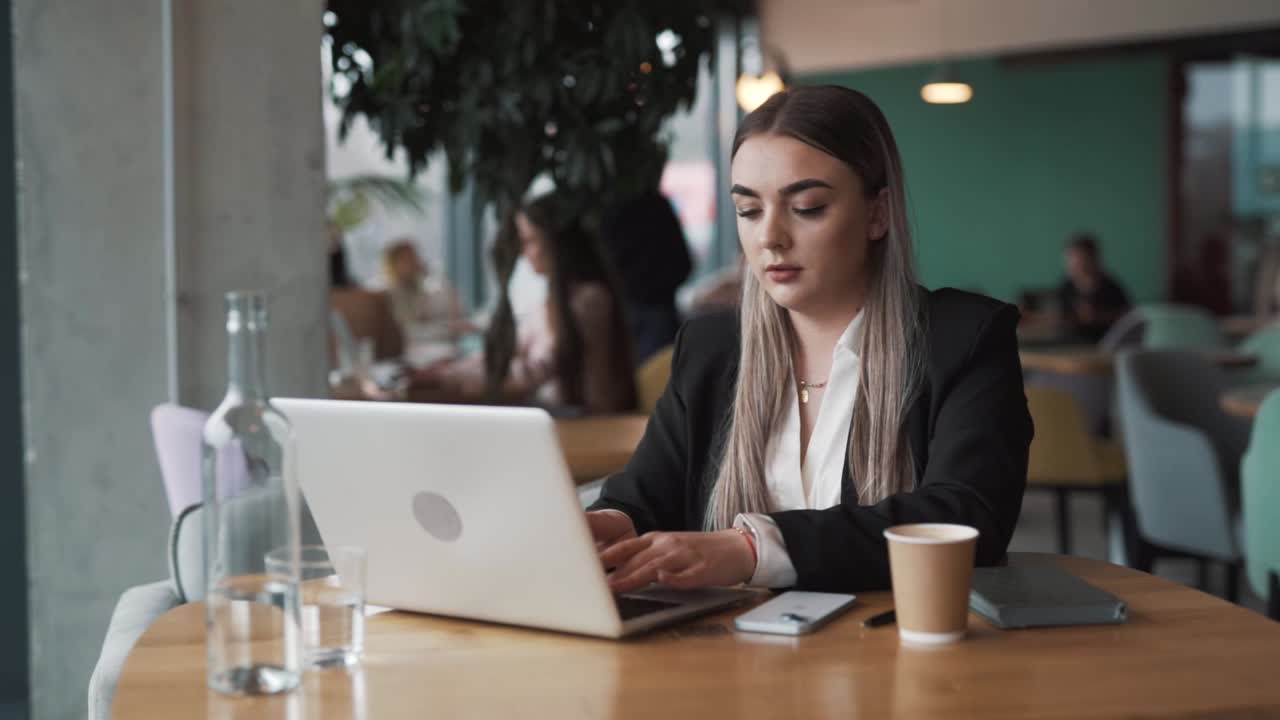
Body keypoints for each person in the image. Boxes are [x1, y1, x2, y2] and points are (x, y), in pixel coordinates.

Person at [585, 85, 1033, 593]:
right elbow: (642, 499)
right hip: (726, 660)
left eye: (807, 207)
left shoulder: (964, 340)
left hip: (893, 655)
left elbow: (968, 519)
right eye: (749, 211)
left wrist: (752, 549)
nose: (770, 237)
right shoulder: (711, 350)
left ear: (877, 213)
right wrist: (609, 525)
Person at [418, 195, 638, 415]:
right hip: (558, 412)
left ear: (555, 243)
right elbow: (510, 349)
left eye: (530, 240)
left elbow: (538, 369)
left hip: (584, 416)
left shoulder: (591, 299)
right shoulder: (552, 301)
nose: (524, 252)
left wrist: (450, 379)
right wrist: (449, 370)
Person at [598, 190, 693, 364]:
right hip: (658, 312)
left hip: (636, 312)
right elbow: (684, 264)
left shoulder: (607, 209)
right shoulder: (655, 207)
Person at [380, 238, 470, 339]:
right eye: (408, 259)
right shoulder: (388, 293)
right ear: (394, 264)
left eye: (416, 257)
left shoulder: (417, 287)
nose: (416, 262)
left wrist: (436, 274)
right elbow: (407, 331)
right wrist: (446, 330)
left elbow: (456, 311)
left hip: (427, 346)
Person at [1057, 233, 1131, 342]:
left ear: (1092, 258)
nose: (1072, 263)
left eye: (1078, 257)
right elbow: (1059, 315)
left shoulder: (1111, 287)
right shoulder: (1066, 286)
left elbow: (1128, 319)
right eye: (1070, 258)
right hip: (1071, 343)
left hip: (1104, 344)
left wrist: (1098, 316)